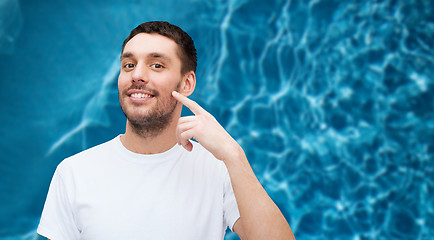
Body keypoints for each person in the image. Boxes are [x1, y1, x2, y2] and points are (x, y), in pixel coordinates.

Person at [37, 21, 296, 240]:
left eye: (156, 65)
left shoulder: (218, 169)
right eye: (129, 65)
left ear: (186, 83)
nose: (137, 75)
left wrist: (233, 154)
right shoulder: (74, 172)